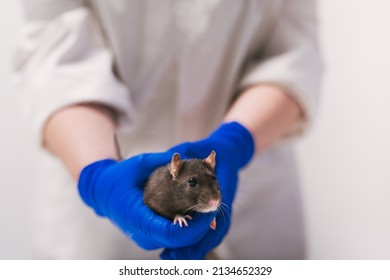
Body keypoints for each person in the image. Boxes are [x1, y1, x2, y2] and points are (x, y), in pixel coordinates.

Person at [13, 0, 322, 259]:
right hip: (96, 166)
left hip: (258, 187)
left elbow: (293, 52)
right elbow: (55, 53)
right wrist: (97, 177)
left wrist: (237, 141)